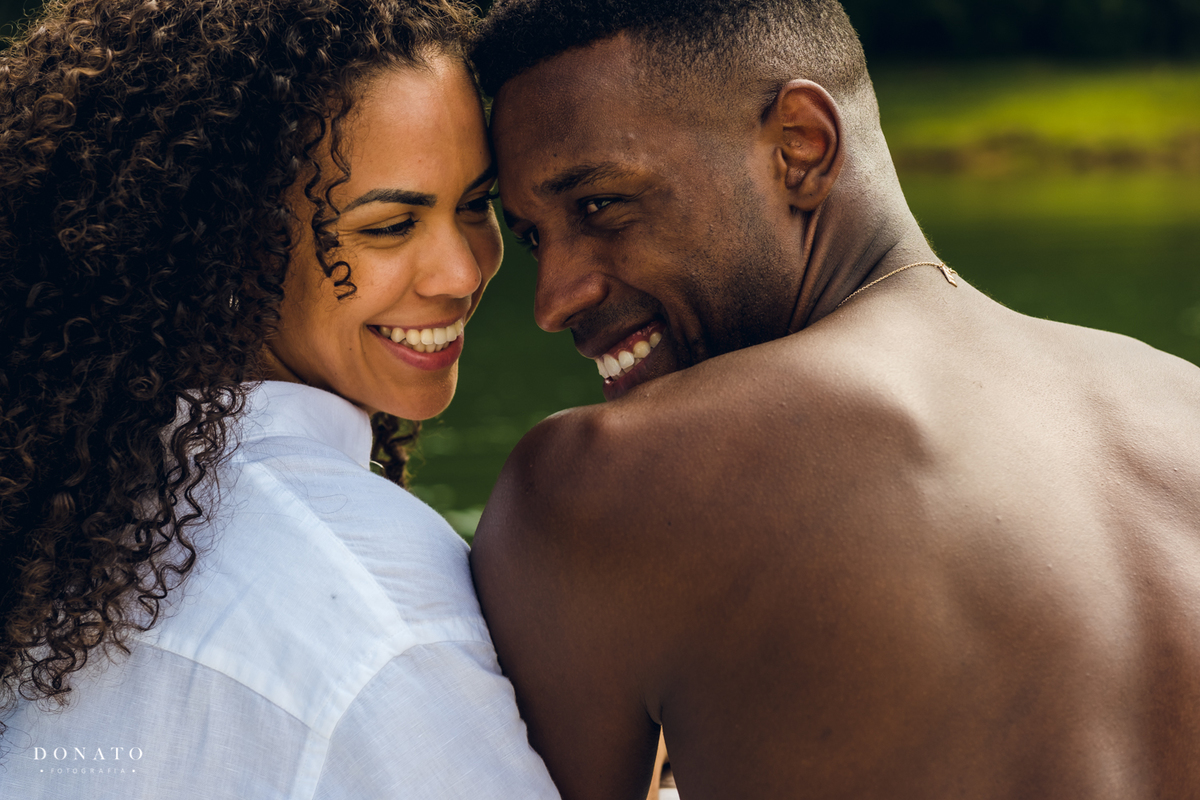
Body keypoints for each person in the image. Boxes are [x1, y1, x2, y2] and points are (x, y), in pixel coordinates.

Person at [467, 1, 1200, 798]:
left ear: (801, 146)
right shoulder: (1177, 401)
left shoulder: (598, 482)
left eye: (600, 205)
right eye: (535, 235)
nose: (553, 300)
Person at [0, 1, 559, 797]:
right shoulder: (377, 608)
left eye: (476, 204)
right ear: (230, 247)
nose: (463, 273)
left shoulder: (63, 511)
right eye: (391, 225)